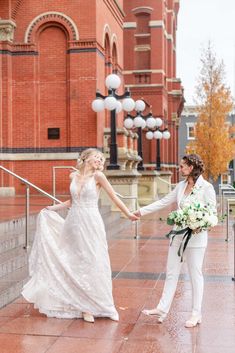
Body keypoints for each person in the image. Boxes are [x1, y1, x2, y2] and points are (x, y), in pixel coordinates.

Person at [22, 148, 138, 323]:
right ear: (85, 159)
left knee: (94, 261)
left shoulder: (99, 177)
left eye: (101, 158)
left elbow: (114, 197)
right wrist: (52, 208)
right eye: (96, 157)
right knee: (76, 262)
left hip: (91, 223)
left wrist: (128, 214)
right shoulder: (73, 176)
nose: (100, 160)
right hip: (73, 223)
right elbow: (71, 201)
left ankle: (106, 305)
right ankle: (84, 307)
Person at [134, 154, 217, 328]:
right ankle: (162, 308)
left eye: (182, 166)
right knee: (171, 272)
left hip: (196, 238)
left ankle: (196, 314)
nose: (179, 169)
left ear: (191, 168)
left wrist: (200, 223)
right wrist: (140, 212)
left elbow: (213, 215)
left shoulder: (206, 187)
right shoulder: (180, 186)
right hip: (177, 236)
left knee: (195, 275)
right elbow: (163, 201)